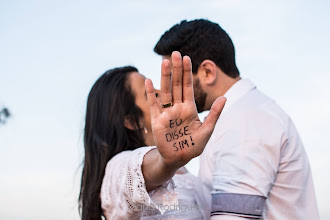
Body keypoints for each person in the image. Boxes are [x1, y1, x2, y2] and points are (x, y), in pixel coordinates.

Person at [154, 19, 319, 219]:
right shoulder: (241, 114)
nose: (170, 90)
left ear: (207, 72)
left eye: (175, 78)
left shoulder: (245, 119)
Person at [78, 53, 227, 220]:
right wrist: (166, 161)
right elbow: (140, 172)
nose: (163, 93)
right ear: (130, 121)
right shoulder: (117, 171)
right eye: (152, 94)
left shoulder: (185, 172)